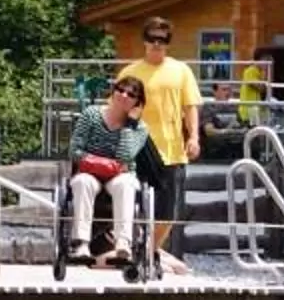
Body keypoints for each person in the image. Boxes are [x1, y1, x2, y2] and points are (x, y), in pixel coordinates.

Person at [117, 17, 201, 272]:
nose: (157, 44)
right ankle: (135, 249)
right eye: (152, 39)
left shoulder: (181, 71)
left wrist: (194, 136)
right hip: (137, 147)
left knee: (168, 212)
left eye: (163, 40)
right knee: (133, 202)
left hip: (171, 149)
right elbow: (116, 108)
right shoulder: (130, 72)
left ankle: (150, 251)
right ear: (144, 41)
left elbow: (191, 106)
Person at [65, 74, 150, 266]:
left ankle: (123, 242)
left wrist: (129, 125)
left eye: (131, 94)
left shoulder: (140, 128)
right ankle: (81, 243)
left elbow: (125, 156)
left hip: (120, 175)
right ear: (113, 92)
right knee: (82, 182)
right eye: (120, 90)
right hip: (90, 171)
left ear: (138, 103)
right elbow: (74, 150)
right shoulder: (91, 115)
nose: (124, 95)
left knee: (126, 185)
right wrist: (100, 163)